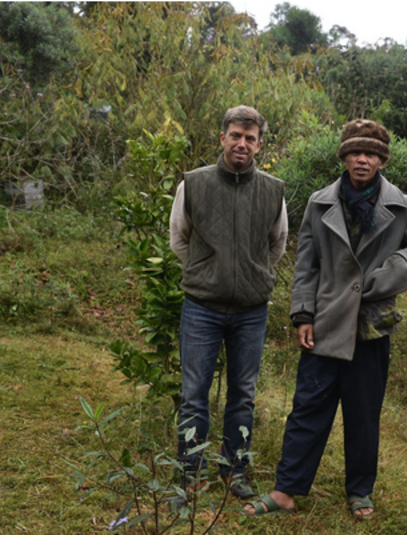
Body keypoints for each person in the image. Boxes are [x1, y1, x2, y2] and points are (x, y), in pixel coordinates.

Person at [242, 119, 407, 519]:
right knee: (308, 407)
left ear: (382, 160)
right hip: (325, 320)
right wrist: (302, 314)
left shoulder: (400, 204)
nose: (362, 160)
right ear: (344, 157)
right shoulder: (320, 202)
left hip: (372, 323)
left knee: (364, 413)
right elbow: (306, 263)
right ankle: (287, 491)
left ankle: (360, 491)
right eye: (355, 153)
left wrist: (392, 271)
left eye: (371, 154)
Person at [169, 105, 288, 499]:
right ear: (222, 137)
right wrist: (209, 274)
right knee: (193, 394)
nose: (242, 144)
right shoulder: (195, 183)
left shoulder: (273, 189)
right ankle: (190, 473)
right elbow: (179, 239)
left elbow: (277, 245)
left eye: (250, 138)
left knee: (243, 395)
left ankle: (235, 471)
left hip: (251, 312)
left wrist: (250, 276)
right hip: (201, 308)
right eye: (235, 135)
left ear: (258, 144)